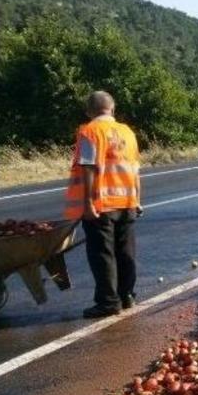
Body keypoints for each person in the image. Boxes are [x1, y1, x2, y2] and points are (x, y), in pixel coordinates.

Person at [64, 91, 142, 318]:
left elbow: (89, 167)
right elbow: (135, 168)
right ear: (112, 108)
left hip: (101, 204)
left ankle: (108, 302)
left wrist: (88, 203)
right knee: (126, 251)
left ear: (89, 110)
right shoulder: (127, 132)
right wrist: (137, 199)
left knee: (102, 254)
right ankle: (127, 296)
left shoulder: (90, 131)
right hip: (126, 201)